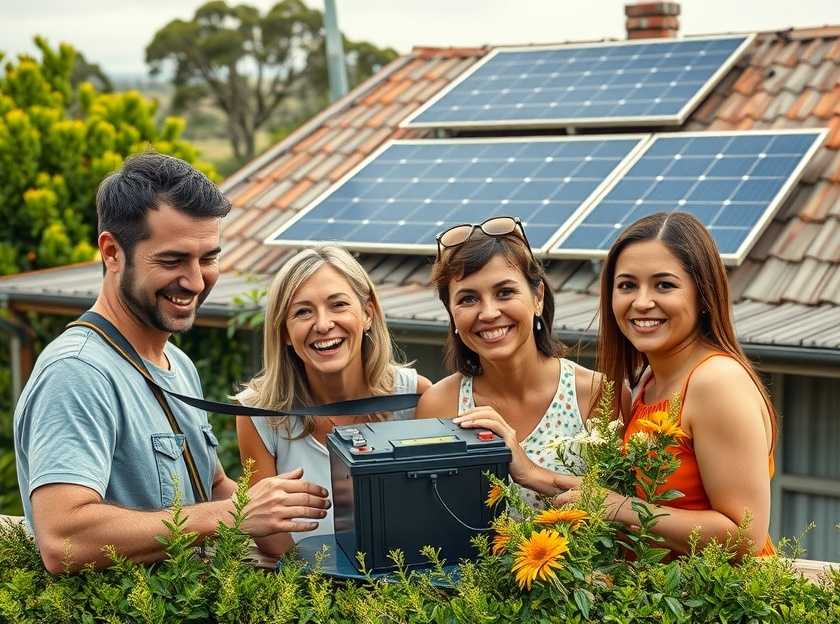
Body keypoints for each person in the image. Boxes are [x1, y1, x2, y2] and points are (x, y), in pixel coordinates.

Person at [13, 153, 330, 574]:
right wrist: (235, 514)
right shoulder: (77, 372)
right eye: (172, 260)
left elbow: (212, 486)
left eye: (208, 258)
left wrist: (302, 523)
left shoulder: (176, 362)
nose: (197, 282)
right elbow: (62, 538)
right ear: (112, 252)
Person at [554, 211, 776, 557]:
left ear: (703, 295)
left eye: (664, 285)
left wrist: (623, 508)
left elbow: (745, 537)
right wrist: (531, 472)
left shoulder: (716, 381)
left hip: (719, 605)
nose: (642, 302)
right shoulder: (648, 379)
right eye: (627, 285)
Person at [235, 246, 431, 556]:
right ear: (284, 331)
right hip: (306, 591)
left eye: (338, 305)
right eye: (302, 312)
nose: (323, 324)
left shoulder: (415, 397)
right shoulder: (258, 413)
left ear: (368, 313)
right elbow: (270, 535)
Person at [416, 216, 602, 507]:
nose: (488, 313)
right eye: (468, 299)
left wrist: (530, 472)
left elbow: (625, 506)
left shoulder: (595, 394)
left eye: (505, 292)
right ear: (451, 313)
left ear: (537, 297)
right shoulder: (438, 405)